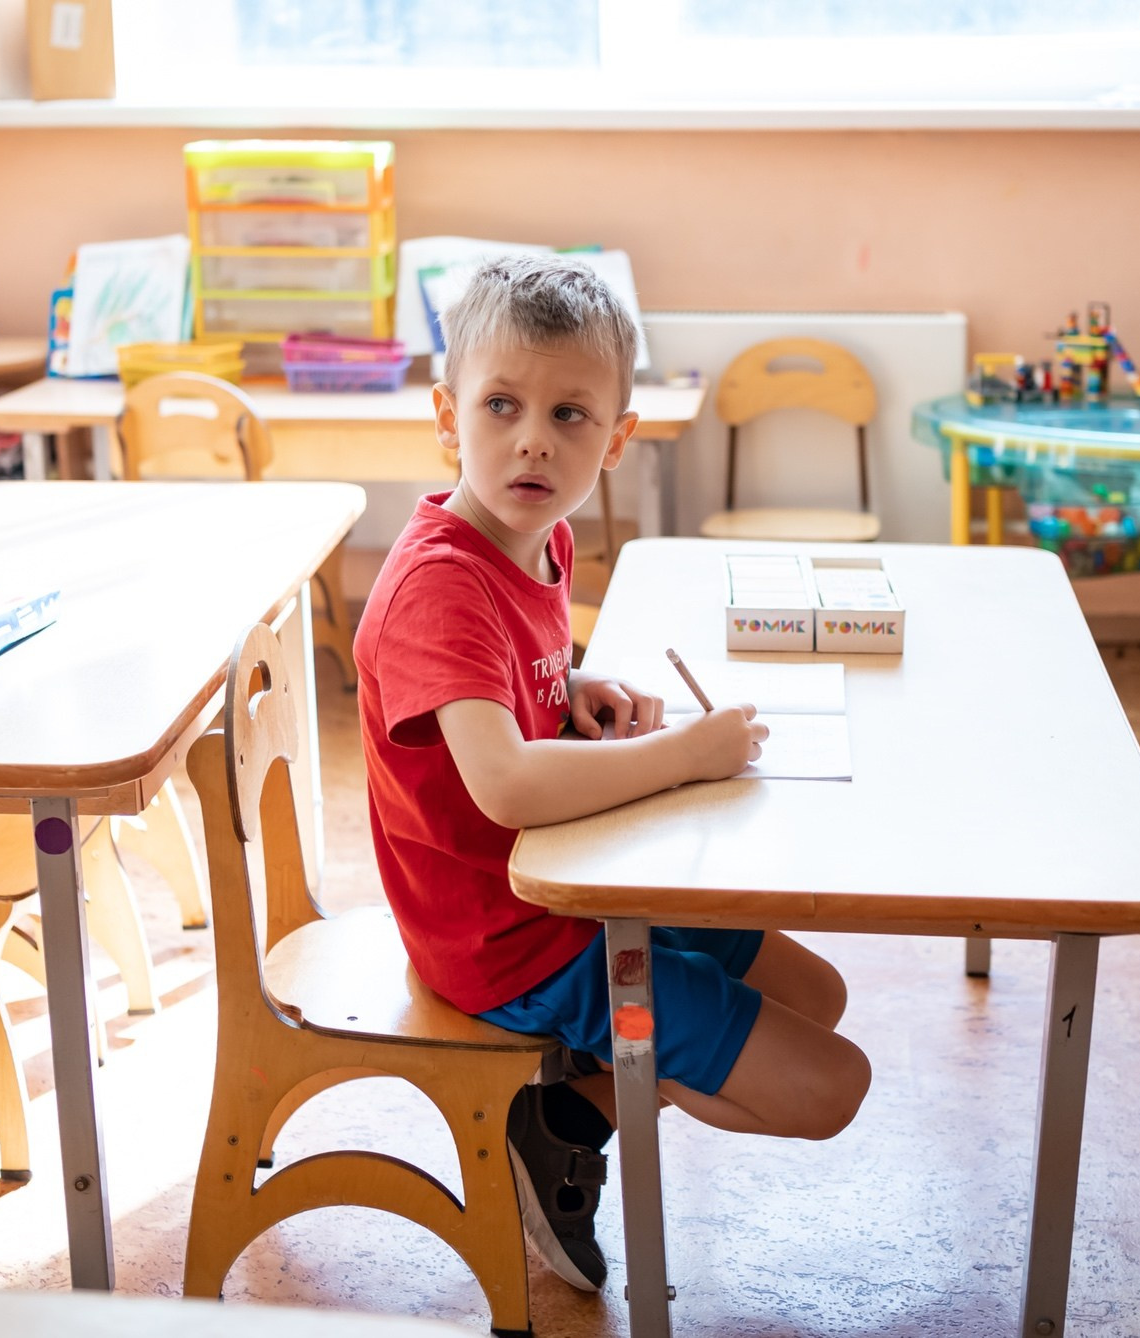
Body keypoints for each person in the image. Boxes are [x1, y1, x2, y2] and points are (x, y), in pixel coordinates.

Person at [353, 255, 871, 1292]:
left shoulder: (530, 541)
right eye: (499, 405)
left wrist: (575, 685)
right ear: (447, 416)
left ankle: (565, 1108)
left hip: (572, 882)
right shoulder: (441, 583)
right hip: (511, 942)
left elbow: (505, 696)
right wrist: (679, 756)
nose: (532, 438)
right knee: (829, 1086)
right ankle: (569, 1105)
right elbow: (501, 786)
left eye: (569, 414)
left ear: (617, 437)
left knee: (819, 991)